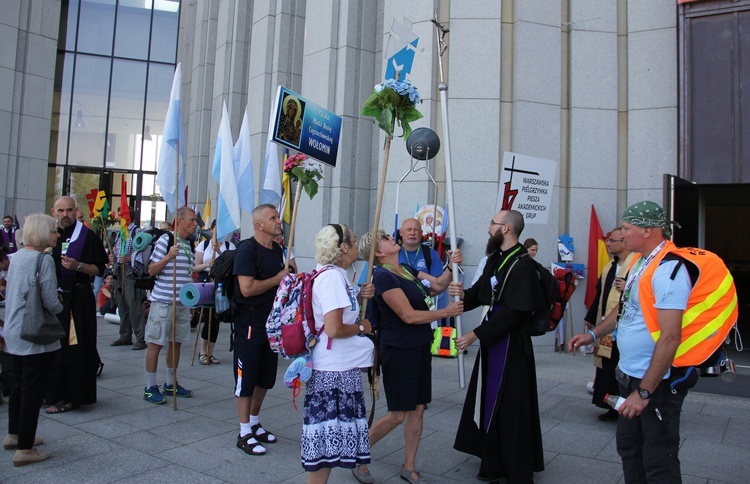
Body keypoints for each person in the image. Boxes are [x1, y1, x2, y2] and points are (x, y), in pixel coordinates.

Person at [569, 201, 691, 483]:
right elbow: (623, 310)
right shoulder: (638, 262)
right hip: (629, 375)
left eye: (627, 228)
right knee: (629, 448)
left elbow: (671, 338)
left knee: (658, 458)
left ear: (648, 231)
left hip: (655, 383)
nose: (621, 235)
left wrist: (644, 393)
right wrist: (593, 334)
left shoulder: (669, 270)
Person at [356, 229, 463, 484]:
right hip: (398, 349)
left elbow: (437, 285)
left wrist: (451, 264)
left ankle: (409, 465)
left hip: (419, 346)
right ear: (379, 253)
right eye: (385, 238)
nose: (391, 238)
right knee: (397, 414)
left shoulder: (405, 268)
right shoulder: (382, 276)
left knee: (417, 410)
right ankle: (357, 452)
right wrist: (445, 312)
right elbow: (408, 315)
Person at [450, 209, 545, 483]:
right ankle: (493, 461)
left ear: (505, 229)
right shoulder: (496, 258)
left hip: (511, 346)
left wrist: (475, 334)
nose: (488, 228)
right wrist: (460, 296)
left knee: (510, 407)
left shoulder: (523, 264)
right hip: (494, 342)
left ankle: (514, 466)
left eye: (492, 223)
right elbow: (481, 292)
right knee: (490, 404)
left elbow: (515, 312)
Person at [301, 224, 375, 483]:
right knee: (324, 449)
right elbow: (333, 328)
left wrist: (357, 294)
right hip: (332, 373)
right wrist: (362, 327)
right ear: (343, 247)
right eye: (353, 240)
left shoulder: (336, 275)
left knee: (327, 449)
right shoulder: (332, 277)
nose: (356, 244)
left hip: (338, 369)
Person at [2, 214, 62, 466]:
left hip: (14, 329)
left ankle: (14, 434)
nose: (57, 235)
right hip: (34, 333)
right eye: (53, 230)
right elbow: (49, 300)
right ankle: (25, 448)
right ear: (41, 233)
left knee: (18, 386)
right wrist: (61, 308)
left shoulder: (17, 258)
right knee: (32, 390)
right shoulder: (43, 259)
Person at [233, 204, 290, 455]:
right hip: (250, 322)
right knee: (247, 378)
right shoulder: (247, 249)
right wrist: (278, 279)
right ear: (259, 225)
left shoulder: (278, 249)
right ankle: (244, 432)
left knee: (266, 377)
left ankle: (254, 423)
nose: (279, 221)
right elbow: (247, 288)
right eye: (273, 218)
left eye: (278, 217)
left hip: (272, 324)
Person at [46, 196, 107, 414]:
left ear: (75, 211)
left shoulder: (86, 236)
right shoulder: (49, 236)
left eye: (69, 210)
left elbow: (100, 268)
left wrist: (78, 265)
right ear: (54, 212)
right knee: (53, 347)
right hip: (53, 300)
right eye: (61, 210)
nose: (65, 215)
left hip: (78, 299)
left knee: (75, 348)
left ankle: (73, 396)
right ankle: (51, 392)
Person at [142, 206, 198, 404]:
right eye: (191, 220)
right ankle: (149, 386)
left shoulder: (190, 244)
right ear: (179, 221)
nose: (194, 224)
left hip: (181, 303)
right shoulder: (166, 240)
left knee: (176, 343)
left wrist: (190, 302)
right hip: (163, 302)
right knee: (156, 343)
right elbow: (151, 270)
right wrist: (168, 257)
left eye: (195, 221)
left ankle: (170, 382)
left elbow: (188, 274)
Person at [584, 228, 638, 421]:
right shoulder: (610, 266)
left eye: (611, 241)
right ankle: (611, 404)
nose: (607, 244)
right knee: (607, 366)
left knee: (621, 365)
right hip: (606, 323)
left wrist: (631, 288)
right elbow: (601, 294)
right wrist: (590, 317)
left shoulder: (637, 264)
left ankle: (626, 406)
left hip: (626, 327)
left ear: (624, 243)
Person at [193, 220, 235, 364]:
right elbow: (196, 267)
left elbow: (231, 263)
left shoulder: (230, 246)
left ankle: (210, 352)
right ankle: (202, 351)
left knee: (217, 317)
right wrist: (207, 264)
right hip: (206, 281)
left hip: (222, 283)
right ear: (211, 230)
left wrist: (218, 252)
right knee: (207, 316)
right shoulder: (203, 245)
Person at [398, 218, 451, 330]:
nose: (412, 233)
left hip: (425, 310)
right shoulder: (394, 253)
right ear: (401, 233)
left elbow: (439, 286)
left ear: (421, 233)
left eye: (416, 230)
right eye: (408, 229)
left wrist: (420, 296)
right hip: (398, 308)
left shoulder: (431, 254)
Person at [109, 207, 147, 349]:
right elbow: (118, 252)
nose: (117, 218)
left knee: (134, 304)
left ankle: (140, 338)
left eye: (120, 215)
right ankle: (125, 335)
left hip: (131, 272)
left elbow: (143, 252)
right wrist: (113, 257)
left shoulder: (137, 232)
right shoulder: (120, 233)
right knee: (122, 304)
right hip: (119, 270)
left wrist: (129, 258)